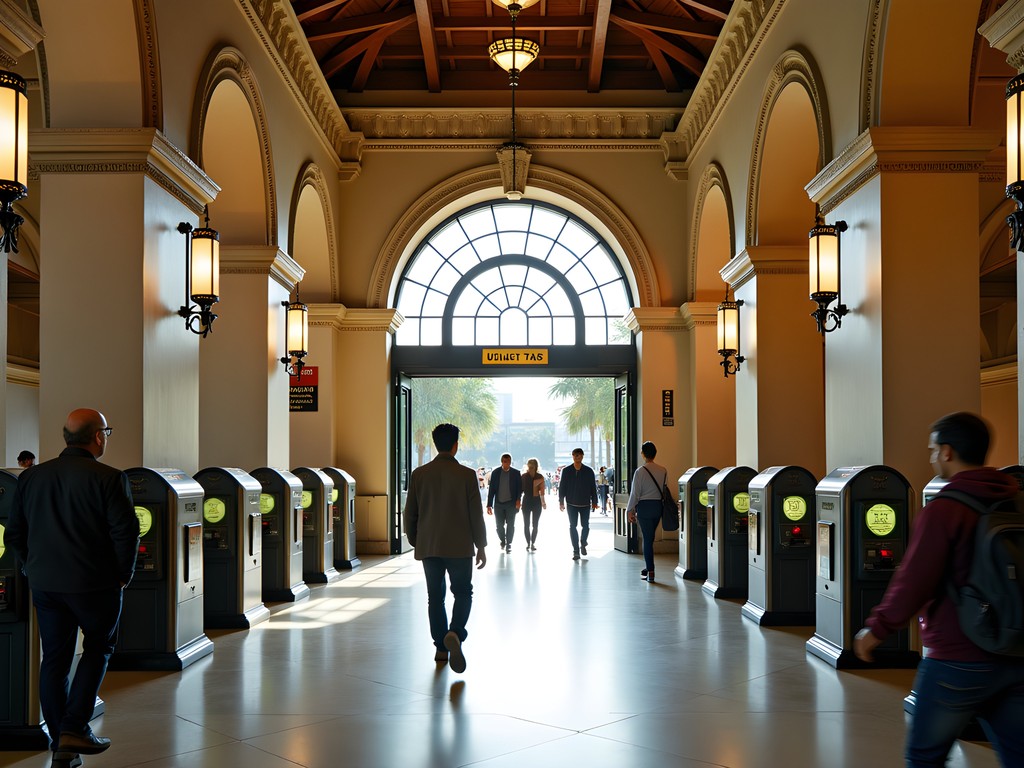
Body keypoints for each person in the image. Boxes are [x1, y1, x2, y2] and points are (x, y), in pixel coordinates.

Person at [853, 412, 1024, 767]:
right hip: (1015, 651)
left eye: (932, 450)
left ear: (947, 452)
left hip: (957, 657)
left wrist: (877, 629)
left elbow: (915, 579)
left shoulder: (945, 509)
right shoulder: (1015, 500)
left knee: (925, 757)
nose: (931, 457)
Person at [4, 409, 139, 767]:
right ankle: (74, 727)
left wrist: (32, 567)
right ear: (97, 437)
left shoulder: (32, 478)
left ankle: (61, 746)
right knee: (98, 647)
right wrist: (123, 575)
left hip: (46, 585)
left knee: (55, 659)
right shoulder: (110, 478)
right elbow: (125, 532)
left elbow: (14, 534)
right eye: (107, 431)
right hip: (96, 585)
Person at [404, 423, 487, 674]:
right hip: (460, 546)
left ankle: (441, 647)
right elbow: (476, 514)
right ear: (455, 445)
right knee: (463, 592)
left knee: (435, 596)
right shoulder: (467, 475)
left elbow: (410, 513)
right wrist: (481, 545)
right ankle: (456, 633)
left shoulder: (419, 474)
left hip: (429, 545)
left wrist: (416, 540)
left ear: (435, 443)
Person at [626, 441, 669, 583]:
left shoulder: (640, 471)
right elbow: (664, 489)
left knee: (647, 539)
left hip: (644, 507)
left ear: (643, 454)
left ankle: (650, 571)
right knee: (650, 538)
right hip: (658, 507)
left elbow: (635, 493)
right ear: (655, 454)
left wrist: (629, 510)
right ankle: (648, 567)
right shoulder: (663, 470)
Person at [558, 448, 599, 561]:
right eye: (575, 455)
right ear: (572, 456)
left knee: (585, 525)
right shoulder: (566, 471)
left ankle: (583, 542)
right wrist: (561, 501)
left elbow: (593, 487)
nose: (577, 457)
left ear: (582, 456)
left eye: (579, 455)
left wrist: (595, 501)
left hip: (585, 503)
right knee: (573, 526)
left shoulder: (588, 471)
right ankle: (576, 550)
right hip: (571, 503)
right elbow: (562, 487)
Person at [486, 453, 522, 553]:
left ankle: (509, 543)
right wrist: (489, 505)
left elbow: (519, 489)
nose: (507, 464)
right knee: (499, 526)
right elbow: (491, 490)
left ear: (511, 462)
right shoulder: (495, 473)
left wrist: (518, 500)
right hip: (499, 504)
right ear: (502, 462)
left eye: (509, 461)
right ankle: (502, 540)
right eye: (505, 462)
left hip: (511, 503)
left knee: (511, 524)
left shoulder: (516, 473)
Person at [521, 458, 546, 551]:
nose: (531, 467)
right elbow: (520, 490)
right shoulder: (524, 476)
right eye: (529, 465)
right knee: (526, 524)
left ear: (536, 466)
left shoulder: (540, 477)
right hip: (526, 500)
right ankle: (528, 543)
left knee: (535, 524)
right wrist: (518, 501)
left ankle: (533, 542)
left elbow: (542, 492)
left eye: (532, 466)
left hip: (536, 501)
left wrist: (543, 502)